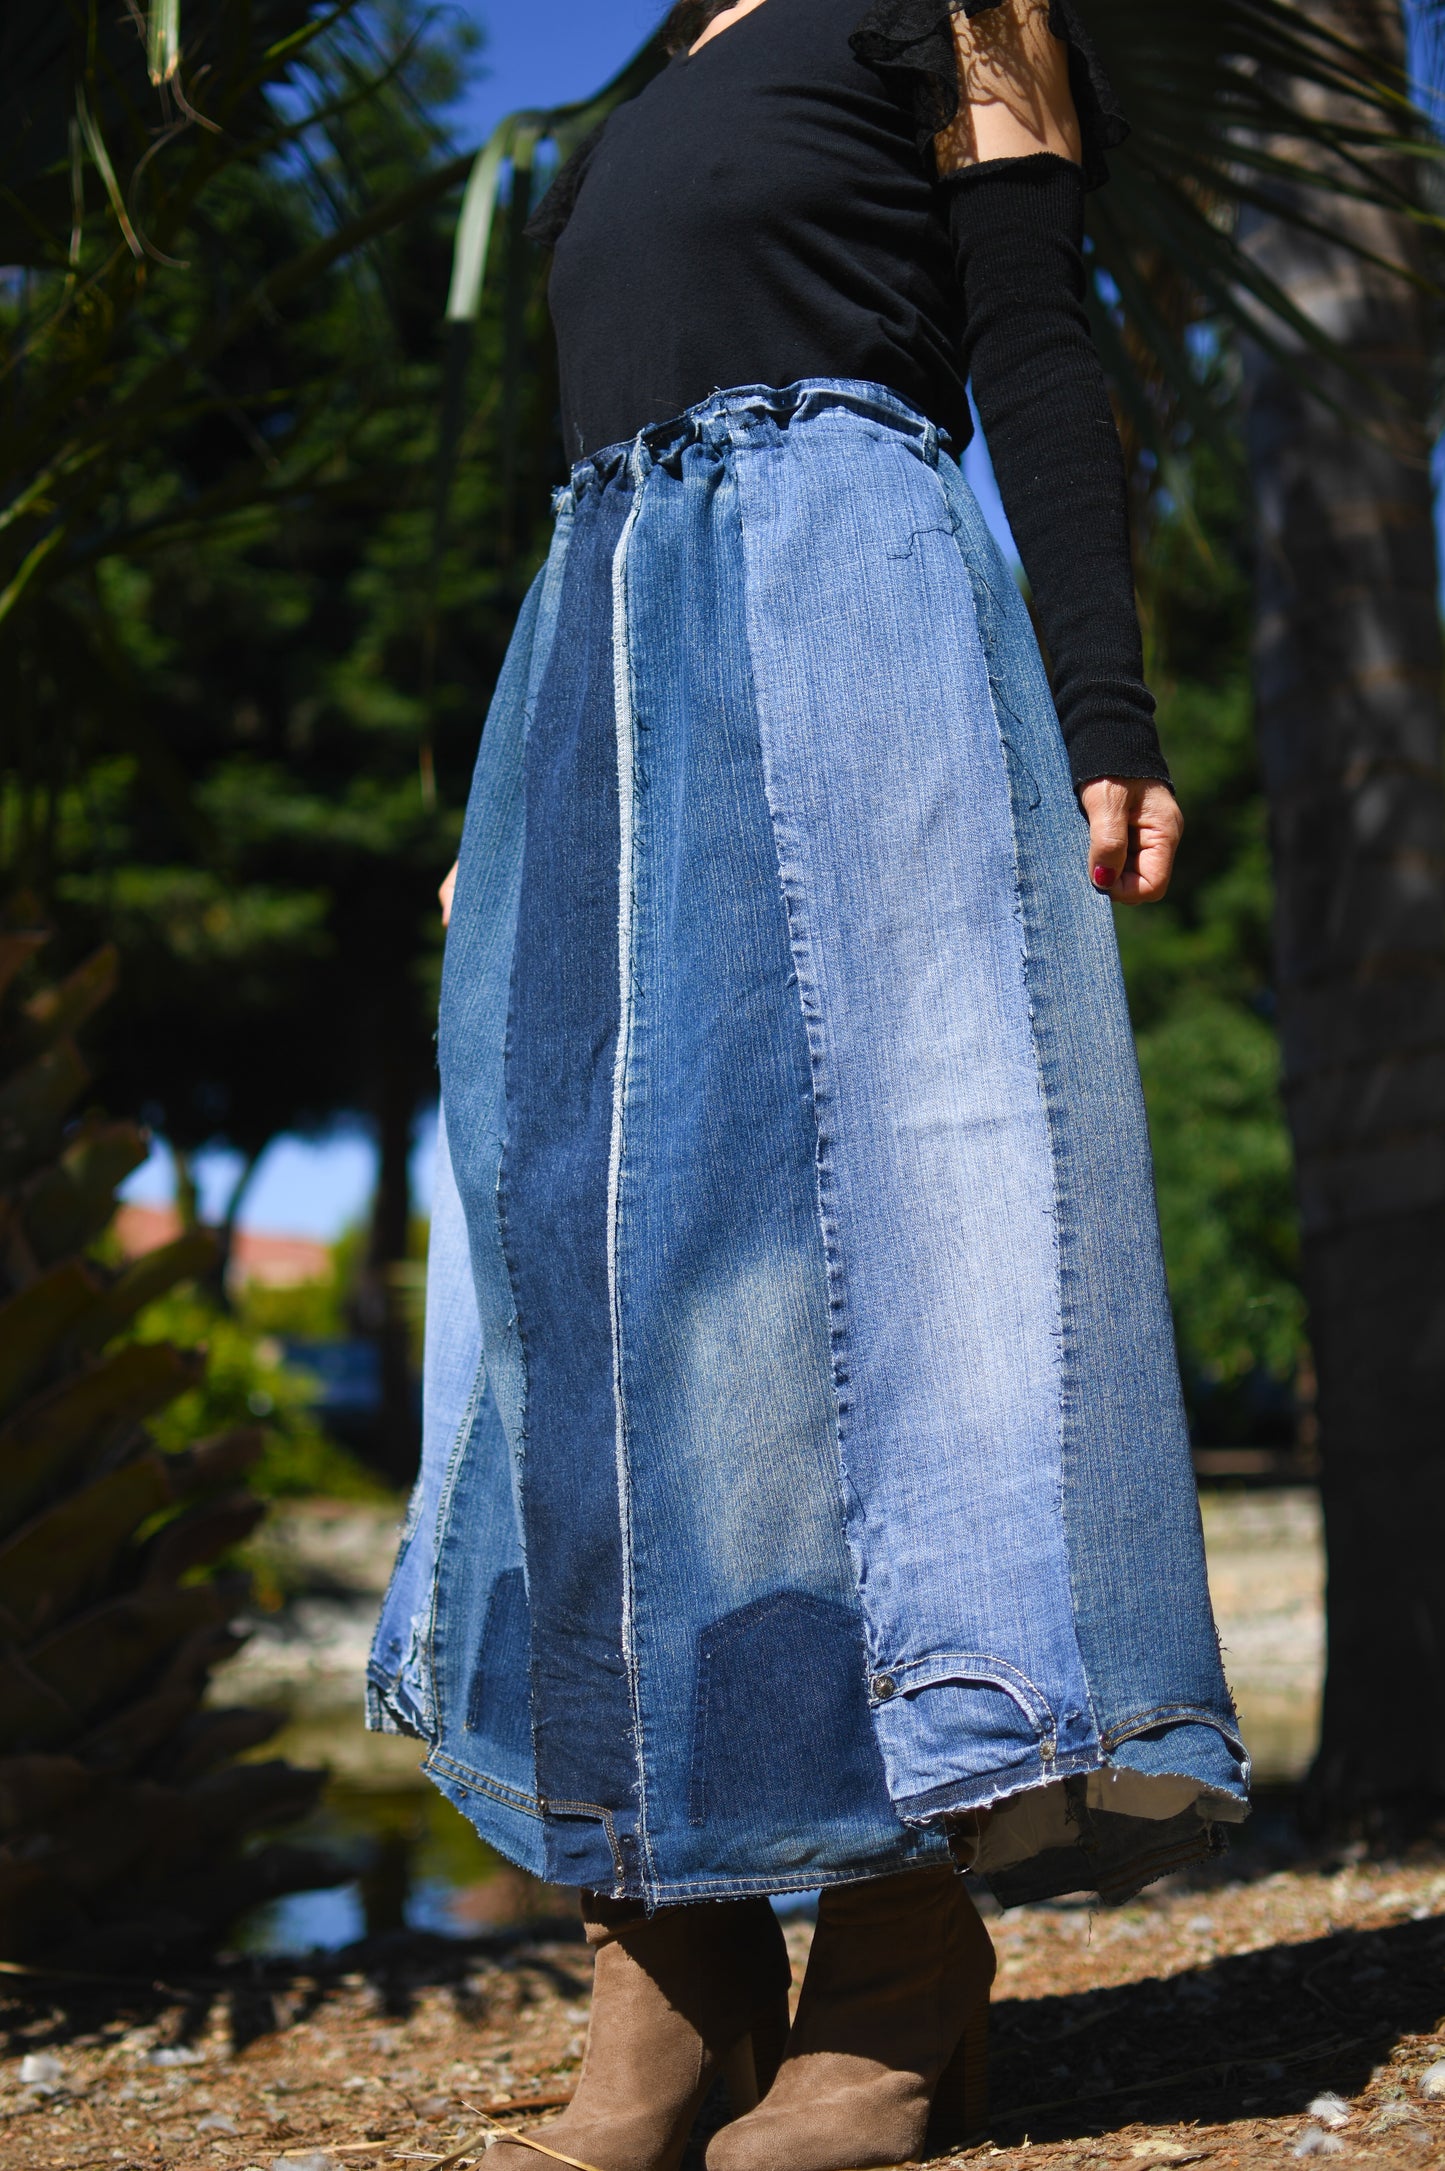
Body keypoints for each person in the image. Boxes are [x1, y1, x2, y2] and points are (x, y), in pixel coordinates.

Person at [369, 4, 1250, 2168]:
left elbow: (1035, 349)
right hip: (601, 674)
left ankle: (891, 1948)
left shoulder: (955, 5)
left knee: (870, 1294)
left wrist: (1107, 707)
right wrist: (528, 785)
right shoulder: (666, 54)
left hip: (846, 626)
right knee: (586, 1295)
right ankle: (664, 1951)